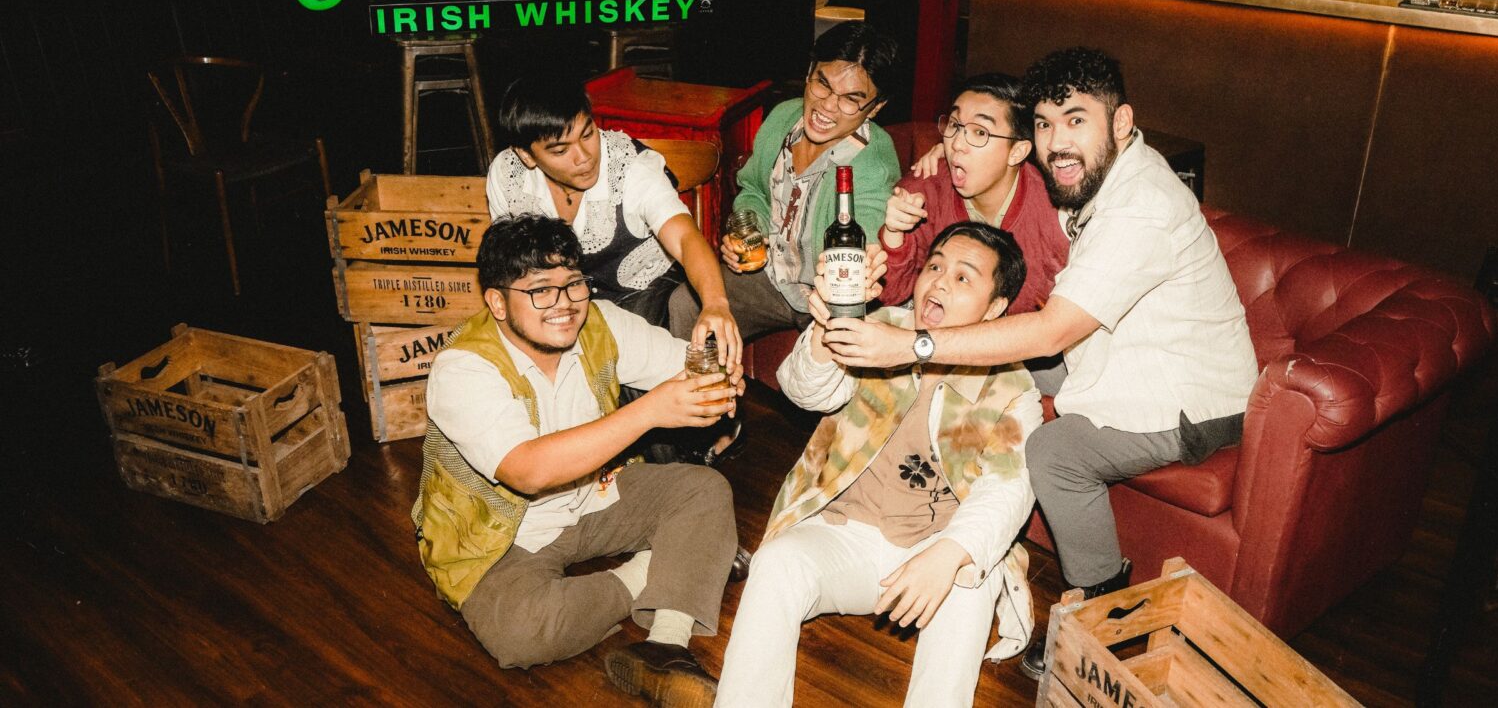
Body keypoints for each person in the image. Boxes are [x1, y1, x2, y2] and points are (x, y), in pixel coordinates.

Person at [813, 48, 1258, 680]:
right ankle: (963, 508)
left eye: (1077, 120)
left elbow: (1052, 329)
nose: (1057, 143)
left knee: (1055, 452)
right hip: (1115, 358)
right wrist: (951, 148)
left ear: (1122, 121)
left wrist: (914, 345)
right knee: (1008, 371)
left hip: (1191, 397)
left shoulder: (1143, 204)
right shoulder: (1098, 174)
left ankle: (1104, 616)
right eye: (1046, 124)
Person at [413, 214, 742, 706]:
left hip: (594, 495)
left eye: (573, 284)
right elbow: (527, 471)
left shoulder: (599, 322)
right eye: (540, 291)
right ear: (497, 303)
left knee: (705, 489)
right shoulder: (463, 368)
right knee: (521, 633)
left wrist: (718, 377)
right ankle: (656, 570)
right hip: (503, 534)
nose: (564, 304)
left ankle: (666, 647)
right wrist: (652, 410)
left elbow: (686, 364)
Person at [716, 222, 1043, 708]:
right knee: (776, 565)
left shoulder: (1013, 386)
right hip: (843, 531)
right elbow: (804, 391)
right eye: (935, 266)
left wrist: (949, 553)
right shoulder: (882, 328)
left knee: (974, 574)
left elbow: (1009, 489)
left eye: (962, 278)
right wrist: (827, 329)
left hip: (933, 546)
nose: (939, 282)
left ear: (995, 308)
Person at [667, 20, 902, 347]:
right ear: (809, 73)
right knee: (687, 304)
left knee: (827, 361)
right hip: (772, 278)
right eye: (822, 83)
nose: (827, 105)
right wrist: (750, 231)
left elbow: (861, 243)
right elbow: (754, 190)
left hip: (827, 297)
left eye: (851, 99)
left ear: (875, 108)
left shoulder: (872, 164)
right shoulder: (783, 118)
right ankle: (699, 381)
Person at [487, 74, 740, 367]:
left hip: (641, 295)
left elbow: (684, 238)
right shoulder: (508, 176)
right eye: (561, 150)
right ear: (526, 155)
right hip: (558, 302)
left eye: (587, 134)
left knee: (631, 362)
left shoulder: (629, 167)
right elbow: (512, 265)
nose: (584, 157)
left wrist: (716, 303)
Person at [878, 72, 1067, 315]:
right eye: (955, 125)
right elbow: (889, 296)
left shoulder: (1055, 211)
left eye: (980, 132)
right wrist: (894, 234)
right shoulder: (922, 192)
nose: (957, 144)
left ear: (1017, 151)